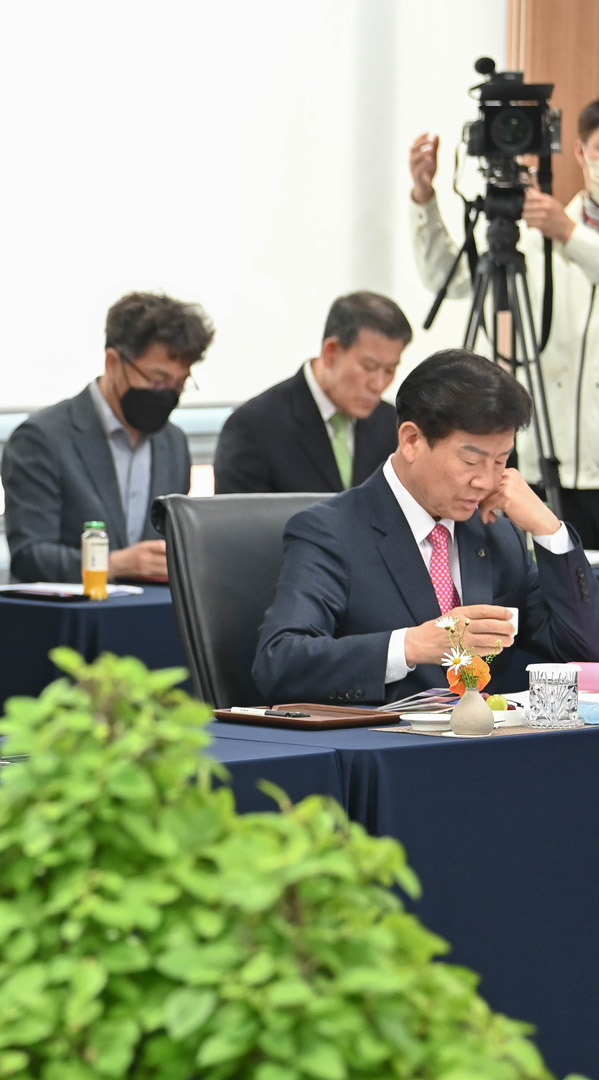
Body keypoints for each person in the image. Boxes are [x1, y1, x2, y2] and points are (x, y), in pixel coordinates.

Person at [253, 349, 599, 705]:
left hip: (489, 735)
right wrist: (411, 646)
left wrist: (549, 530)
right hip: (381, 735)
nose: (485, 481)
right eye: (471, 460)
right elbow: (280, 661)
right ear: (412, 441)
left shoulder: (498, 534)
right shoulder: (331, 531)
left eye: (501, 461)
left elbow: (583, 651)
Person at [409, 103, 599, 543]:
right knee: (540, 579)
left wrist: (569, 235)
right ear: (579, 152)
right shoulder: (532, 236)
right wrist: (424, 198)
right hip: (541, 464)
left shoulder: (560, 230)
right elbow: (447, 277)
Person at [1, 291, 214, 583]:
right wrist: (112, 565)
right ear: (113, 363)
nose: (168, 394)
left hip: (153, 608)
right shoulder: (42, 439)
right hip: (74, 609)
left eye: (179, 384)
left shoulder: (173, 443)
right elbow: (29, 556)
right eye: (158, 380)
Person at [215, 291, 410, 494]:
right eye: (369, 367)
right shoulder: (254, 427)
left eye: (390, 370)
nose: (378, 384)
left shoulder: (395, 425)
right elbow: (241, 514)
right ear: (331, 352)